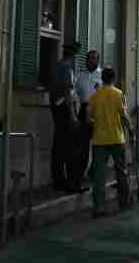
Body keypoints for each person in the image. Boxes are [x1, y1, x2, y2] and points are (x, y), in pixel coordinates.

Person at [88, 67, 132, 218]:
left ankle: (98, 207)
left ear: (102, 78)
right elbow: (124, 116)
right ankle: (124, 201)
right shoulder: (119, 94)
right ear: (113, 78)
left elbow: (90, 118)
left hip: (99, 140)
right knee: (121, 172)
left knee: (99, 176)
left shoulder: (94, 96)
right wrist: (131, 131)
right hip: (116, 139)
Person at [51, 42, 85, 192]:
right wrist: (72, 115)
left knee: (59, 145)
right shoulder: (66, 67)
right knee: (71, 147)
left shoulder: (58, 65)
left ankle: (59, 180)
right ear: (74, 54)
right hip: (64, 109)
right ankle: (72, 184)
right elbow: (67, 92)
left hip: (58, 107)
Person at [70, 49, 103, 189]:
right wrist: (75, 111)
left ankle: (93, 173)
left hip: (98, 113)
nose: (91, 61)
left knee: (99, 148)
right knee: (82, 149)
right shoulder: (80, 76)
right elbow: (73, 94)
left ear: (98, 60)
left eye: (94, 58)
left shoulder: (102, 76)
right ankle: (78, 178)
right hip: (83, 112)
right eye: (89, 58)